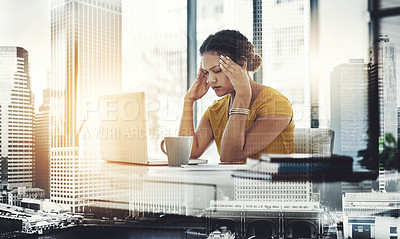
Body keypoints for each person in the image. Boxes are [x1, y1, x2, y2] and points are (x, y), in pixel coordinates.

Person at [178, 29, 294, 162]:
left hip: (272, 182)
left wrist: (243, 95)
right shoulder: (216, 109)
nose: (211, 80)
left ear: (242, 65)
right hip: (231, 182)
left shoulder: (276, 105)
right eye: (206, 72)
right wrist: (189, 100)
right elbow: (187, 152)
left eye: (217, 70)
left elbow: (230, 157)